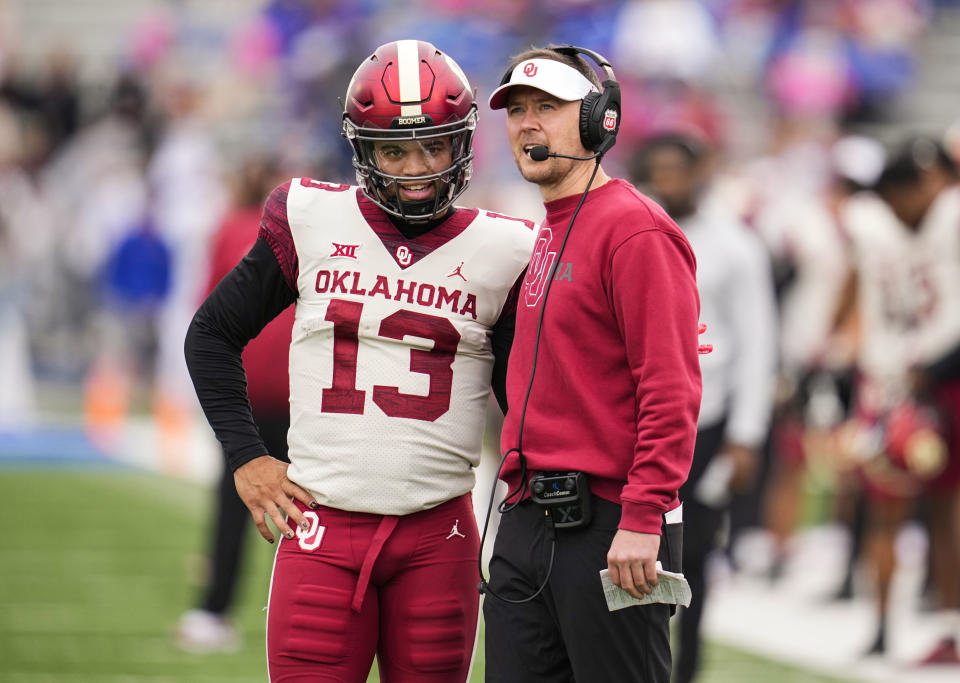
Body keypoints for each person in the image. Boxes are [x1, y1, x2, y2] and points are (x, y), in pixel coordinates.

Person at [184, 40, 536, 682]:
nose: (416, 167)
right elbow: (211, 335)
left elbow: (528, 395)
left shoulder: (507, 248)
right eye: (394, 150)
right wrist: (247, 456)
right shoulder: (311, 217)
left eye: (433, 145)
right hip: (323, 525)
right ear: (362, 151)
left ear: (462, 145)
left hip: (440, 536)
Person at [483, 46, 703, 682]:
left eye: (547, 107)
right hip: (529, 517)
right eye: (517, 110)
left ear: (599, 119)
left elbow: (670, 389)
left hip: (612, 524)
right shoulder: (550, 226)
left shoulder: (638, 232)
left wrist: (642, 517)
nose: (528, 123)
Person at [630, 132, 778, 683]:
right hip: (640, 416)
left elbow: (758, 341)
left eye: (679, 170)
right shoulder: (635, 235)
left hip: (706, 421)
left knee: (691, 558)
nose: (669, 182)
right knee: (635, 550)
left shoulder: (735, 244)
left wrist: (747, 432)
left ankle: (686, 668)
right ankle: (638, 660)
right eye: (658, 170)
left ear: (700, 173)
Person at [839, 136, 960, 662]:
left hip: (915, 376)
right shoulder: (926, 218)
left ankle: (940, 628)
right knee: (902, 509)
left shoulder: (874, 220)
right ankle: (885, 625)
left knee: (944, 513)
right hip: (903, 377)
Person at [177, 157, 294, 653]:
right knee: (301, 514)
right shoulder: (242, 228)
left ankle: (214, 610)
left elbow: (205, 310)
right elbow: (210, 318)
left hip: (257, 393)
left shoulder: (231, 227)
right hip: (280, 393)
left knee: (236, 505)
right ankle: (288, 619)